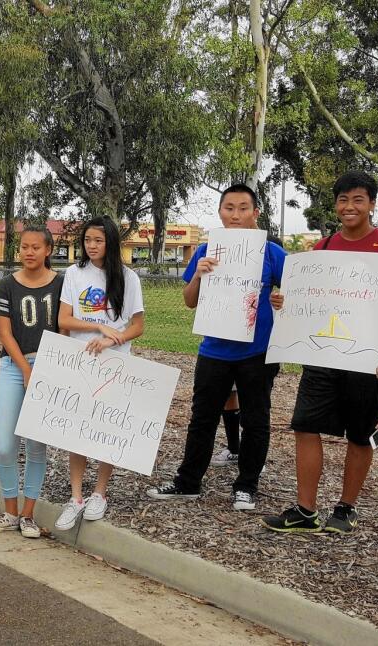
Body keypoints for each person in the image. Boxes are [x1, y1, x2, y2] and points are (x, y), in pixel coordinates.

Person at [262, 170, 378, 534]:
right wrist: (283, 300)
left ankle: (346, 508)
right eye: (343, 200)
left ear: (372, 204)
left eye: (358, 199)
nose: (349, 206)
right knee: (305, 426)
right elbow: (304, 302)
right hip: (322, 355)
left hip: (367, 359)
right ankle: (305, 510)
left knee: (361, 434)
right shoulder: (321, 249)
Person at [145, 184, 285, 510]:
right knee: (202, 419)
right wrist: (199, 276)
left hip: (257, 351)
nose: (235, 215)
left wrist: (281, 298)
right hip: (214, 350)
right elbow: (190, 301)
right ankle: (188, 482)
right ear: (220, 212)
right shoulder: (207, 250)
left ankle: (246, 486)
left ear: (255, 213)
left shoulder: (272, 253)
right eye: (229, 208)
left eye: (243, 208)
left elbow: (293, 291)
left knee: (256, 418)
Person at [53, 216, 145, 531]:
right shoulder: (74, 274)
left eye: (98, 241)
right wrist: (97, 325)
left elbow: (137, 326)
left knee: (108, 429)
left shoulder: (129, 278)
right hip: (81, 362)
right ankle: (76, 497)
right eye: (87, 240)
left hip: (115, 365)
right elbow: (64, 320)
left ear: (111, 243)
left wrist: (111, 339)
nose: (91, 246)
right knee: (78, 431)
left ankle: (99, 493)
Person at [0, 225, 64, 539]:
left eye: (35, 247)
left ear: (48, 250)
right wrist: (26, 369)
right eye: (24, 247)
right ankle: (9, 511)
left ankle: (28, 515)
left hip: (49, 367)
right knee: (5, 445)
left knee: (36, 444)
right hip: (14, 367)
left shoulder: (61, 285)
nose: (29, 252)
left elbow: (65, 326)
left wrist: (52, 369)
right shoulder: (7, 285)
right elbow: (5, 333)